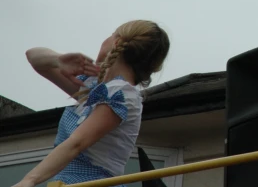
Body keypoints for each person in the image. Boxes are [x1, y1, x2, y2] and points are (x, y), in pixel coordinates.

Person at [13, 20, 170, 187]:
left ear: (117, 42)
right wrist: (58, 60)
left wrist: (28, 181)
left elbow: (76, 143)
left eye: (112, 34)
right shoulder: (98, 87)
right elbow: (33, 56)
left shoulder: (122, 93)